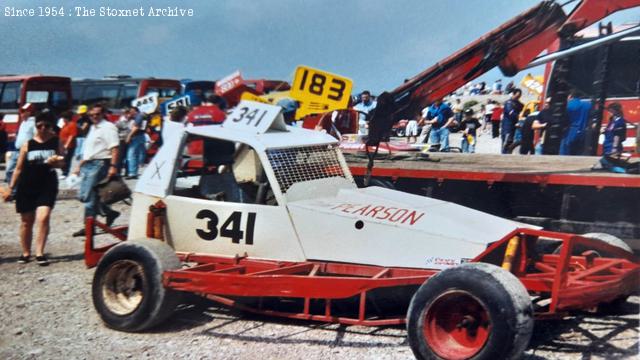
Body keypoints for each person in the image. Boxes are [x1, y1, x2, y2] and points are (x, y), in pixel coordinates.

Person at [6, 110, 64, 265]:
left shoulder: (56, 141)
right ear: (36, 126)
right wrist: (11, 187)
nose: (43, 129)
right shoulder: (28, 144)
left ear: (52, 126)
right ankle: (26, 252)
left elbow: (62, 162)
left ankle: (40, 252)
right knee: (26, 221)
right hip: (27, 184)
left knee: (43, 217)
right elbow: (18, 168)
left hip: (47, 184)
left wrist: (56, 163)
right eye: (40, 126)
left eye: (47, 125)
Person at [72, 103, 120, 237]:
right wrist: (79, 165)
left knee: (88, 197)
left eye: (97, 114)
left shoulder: (108, 127)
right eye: (91, 115)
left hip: (99, 164)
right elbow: (89, 151)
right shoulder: (93, 128)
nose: (94, 117)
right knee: (87, 196)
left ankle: (88, 227)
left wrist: (113, 166)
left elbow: (114, 148)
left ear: (103, 113)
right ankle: (109, 213)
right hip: (89, 163)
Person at [6, 103, 36, 184]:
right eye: (21, 111)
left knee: (22, 172)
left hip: (26, 152)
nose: (21, 113)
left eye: (24, 111)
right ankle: (14, 189)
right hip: (16, 150)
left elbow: (36, 137)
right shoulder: (23, 123)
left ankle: (16, 191)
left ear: (30, 112)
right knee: (9, 170)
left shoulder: (34, 123)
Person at [597, 102, 627, 172]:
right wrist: (605, 131)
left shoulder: (620, 122)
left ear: (614, 111)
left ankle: (622, 170)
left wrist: (614, 147)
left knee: (609, 162)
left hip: (612, 145)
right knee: (605, 162)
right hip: (607, 144)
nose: (609, 113)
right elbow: (610, 130)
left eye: (610, 111)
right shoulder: (612, 120)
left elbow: (617, 135)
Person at [560, 91, 591, 155]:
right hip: (582, 131)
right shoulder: (587, 105)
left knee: (565, 151)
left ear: (570, 96)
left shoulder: (568, 105)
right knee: (579, 153)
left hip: (570, 131)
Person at [125, 107, 146, 179]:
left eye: (131, 111)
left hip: (137, 136)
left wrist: (129, 136)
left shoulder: (139, 116)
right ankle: (134, 172)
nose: (130, 113)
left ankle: (132, 173)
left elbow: (136, 127)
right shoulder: (141, 116)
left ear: (135, 111)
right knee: (136, 155)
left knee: (131, 155)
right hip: (140, 136)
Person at [501, 89, 523, 154]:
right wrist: (519, 117)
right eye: (517, 95)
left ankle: (508, 154)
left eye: (519, 96)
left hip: (516, 125)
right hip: (507, 126)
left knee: (513, 143)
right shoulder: (508, 103)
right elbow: (510, 113)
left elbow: (524, 110)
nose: (518, 97)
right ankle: (503, 156)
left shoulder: (519, 104)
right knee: (506, 142)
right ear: (513, 94)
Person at [58, 111, 77, 177]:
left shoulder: (72, 124)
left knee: (67, 159)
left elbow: (71, 136)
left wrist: (66, 145)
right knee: (62, 159)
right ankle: (63, 171)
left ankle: (65, 173)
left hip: (69, 146)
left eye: (63, 118)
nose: (62, 120)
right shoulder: (65, 125)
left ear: (67, 118)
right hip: (62, 145)